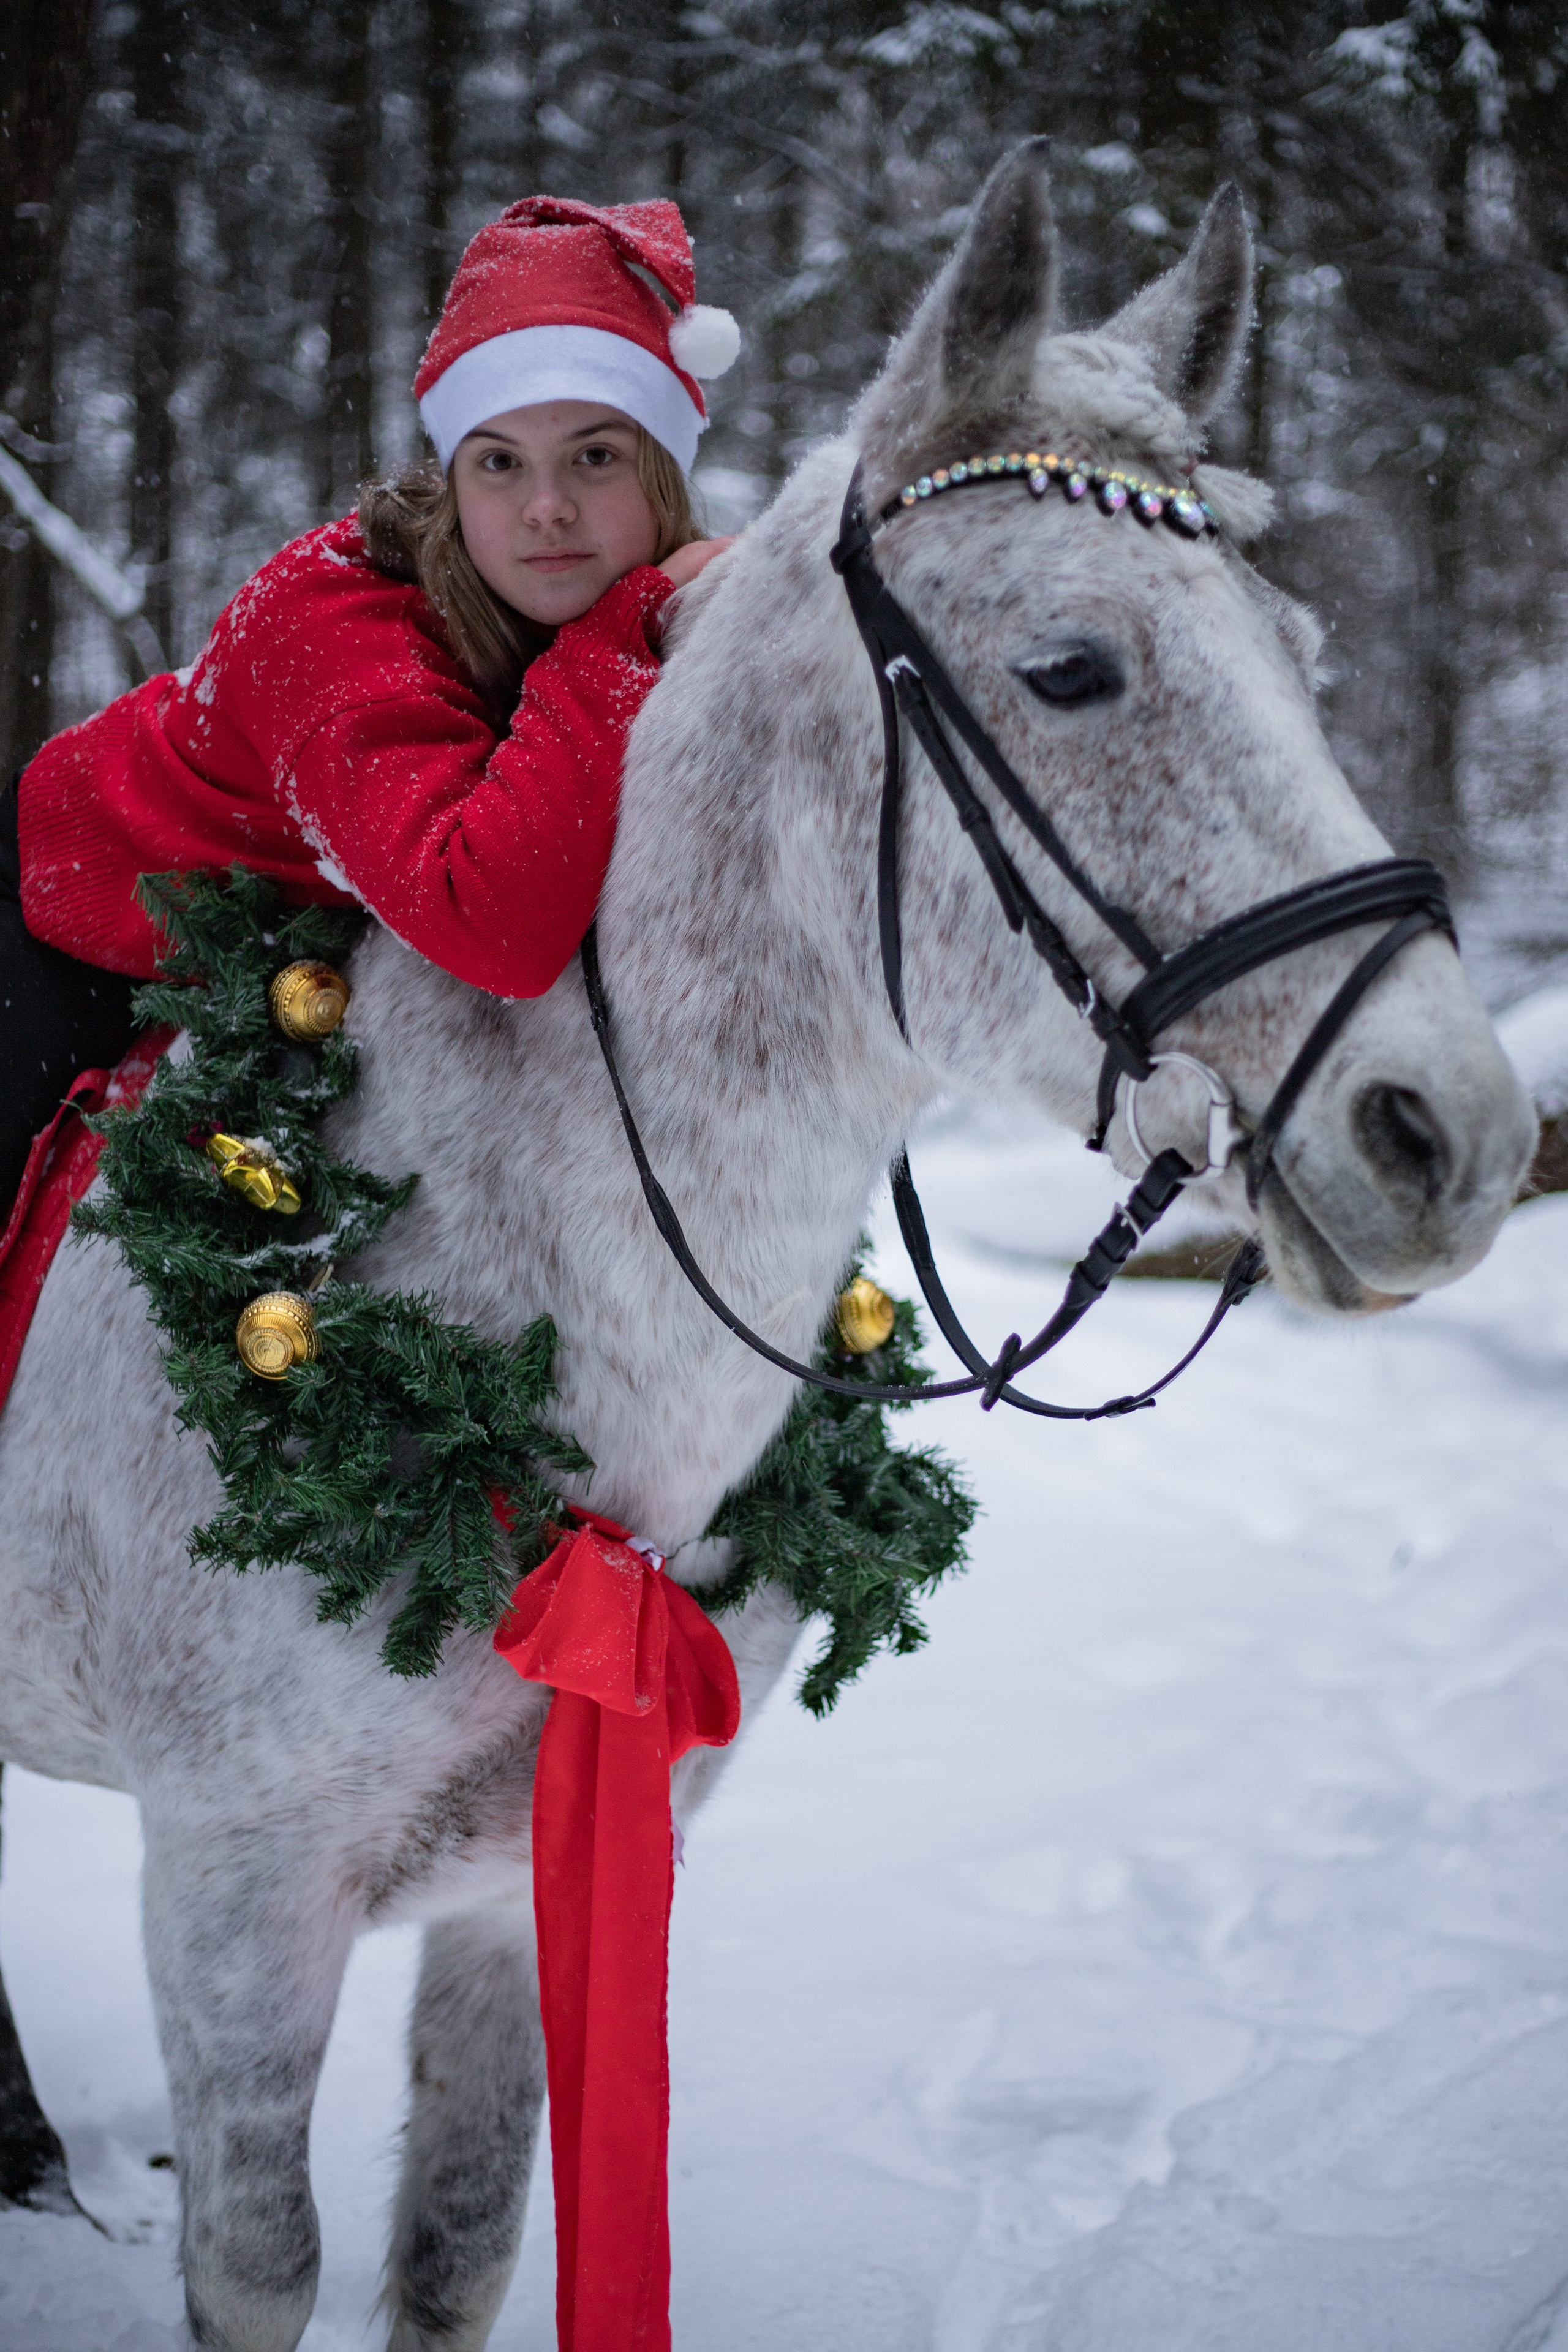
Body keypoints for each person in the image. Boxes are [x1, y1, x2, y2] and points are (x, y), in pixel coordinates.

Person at [0, 193, 740, 1209]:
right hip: (71, 934)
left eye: (596, 455)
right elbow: (499, 933)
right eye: (499, 462)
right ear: (454, 482)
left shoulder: (622, 605)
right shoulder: (336, 621)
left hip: (311, 967)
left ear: (664, 474)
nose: (546, 504)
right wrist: (618, 638)